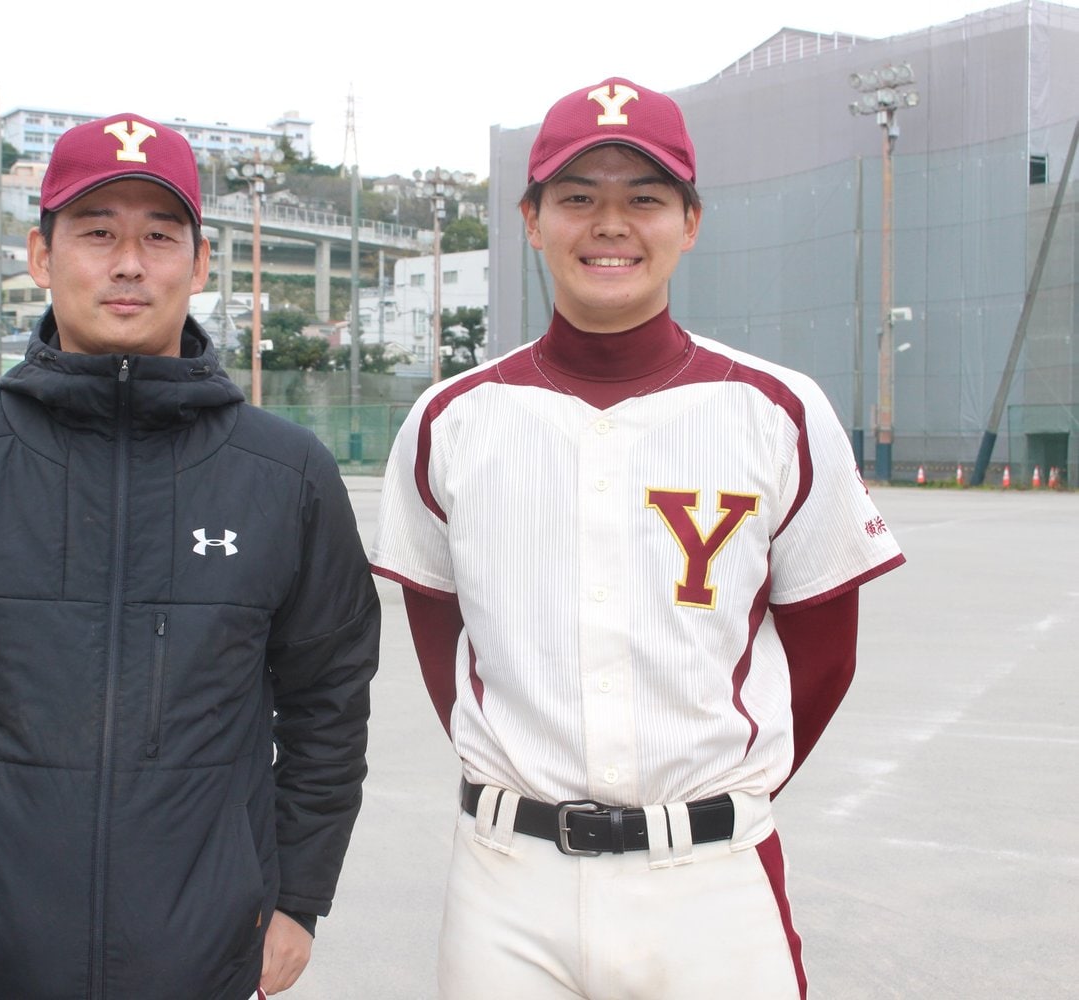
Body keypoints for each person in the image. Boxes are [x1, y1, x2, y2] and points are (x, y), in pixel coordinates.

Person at [0, 112, 380, 1000]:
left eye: (159, 235)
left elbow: (328, 705)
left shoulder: (285, 474)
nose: (129, 261)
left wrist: (296, 898)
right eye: (97, 233)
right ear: (40, 255)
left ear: (200, 262)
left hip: (203, 966)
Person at [371, 78, 905, 999]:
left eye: (644, 199)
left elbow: (826, 652)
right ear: (532, 220)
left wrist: (715, 799)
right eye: (577, 197)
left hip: (708, 877)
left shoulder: (776, 408)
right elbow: (437, 631)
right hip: (508, 877)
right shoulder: (451, 418)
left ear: (690, 223)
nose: (610, 223)